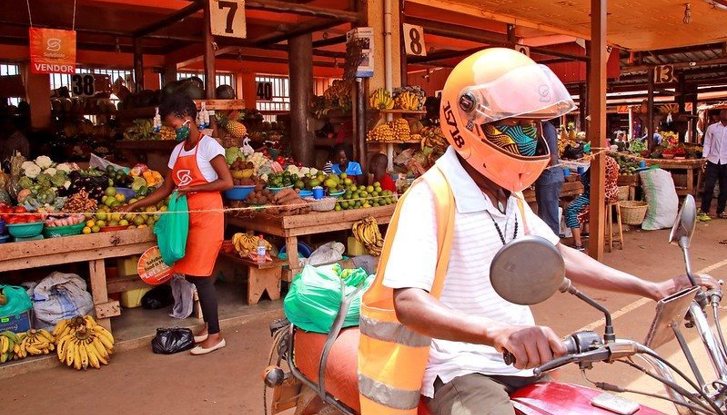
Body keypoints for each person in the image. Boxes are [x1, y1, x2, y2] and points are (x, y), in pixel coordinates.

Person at [357, 48, 716, 415]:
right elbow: (409, 303)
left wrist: (650, 288)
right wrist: (497, 333)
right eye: (513, 125)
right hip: (463, 369)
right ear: (467, 121)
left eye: (531, 126)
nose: (527, 137)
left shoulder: (508, 195)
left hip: (523, 361)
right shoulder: (431, 196)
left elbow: (559, 256)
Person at [119, 93, 233, 355]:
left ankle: (215, 335)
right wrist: (136, 205)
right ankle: (208, 327)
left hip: (207, 217)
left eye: (174, 125)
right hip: (185, 220)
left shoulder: (209, 147)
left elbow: (227, 182)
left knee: (202, 277)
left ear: (188, 119)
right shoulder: (177, 151)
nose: (173, 131)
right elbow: (166, 188)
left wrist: (194, 187)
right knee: (192, 273)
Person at [563, 156, 619, 251]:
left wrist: (580, 177)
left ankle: (578, 244)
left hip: (597, 196)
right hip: (611, 194)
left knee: (571, 208)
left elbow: (587, 180)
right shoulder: (612, 161)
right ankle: (586, 231)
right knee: (581, 202)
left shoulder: (599, 163)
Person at [534, 121, 564, 235]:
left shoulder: (547, 128)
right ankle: (547, 247)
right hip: (545, 177)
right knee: (544, 215)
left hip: (550, 176)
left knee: (549, 218)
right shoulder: (541, 127)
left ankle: (553, 248)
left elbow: (552, 157)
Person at [699, 109, 727, 221]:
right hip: (713, 161)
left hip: (726, 162)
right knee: (708, 187)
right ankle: (704, 210)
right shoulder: (712, 128)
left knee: (724, 188)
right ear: (720, 116)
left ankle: (720, 211)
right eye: (723, 114)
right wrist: (704, 157)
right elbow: (707, 143)